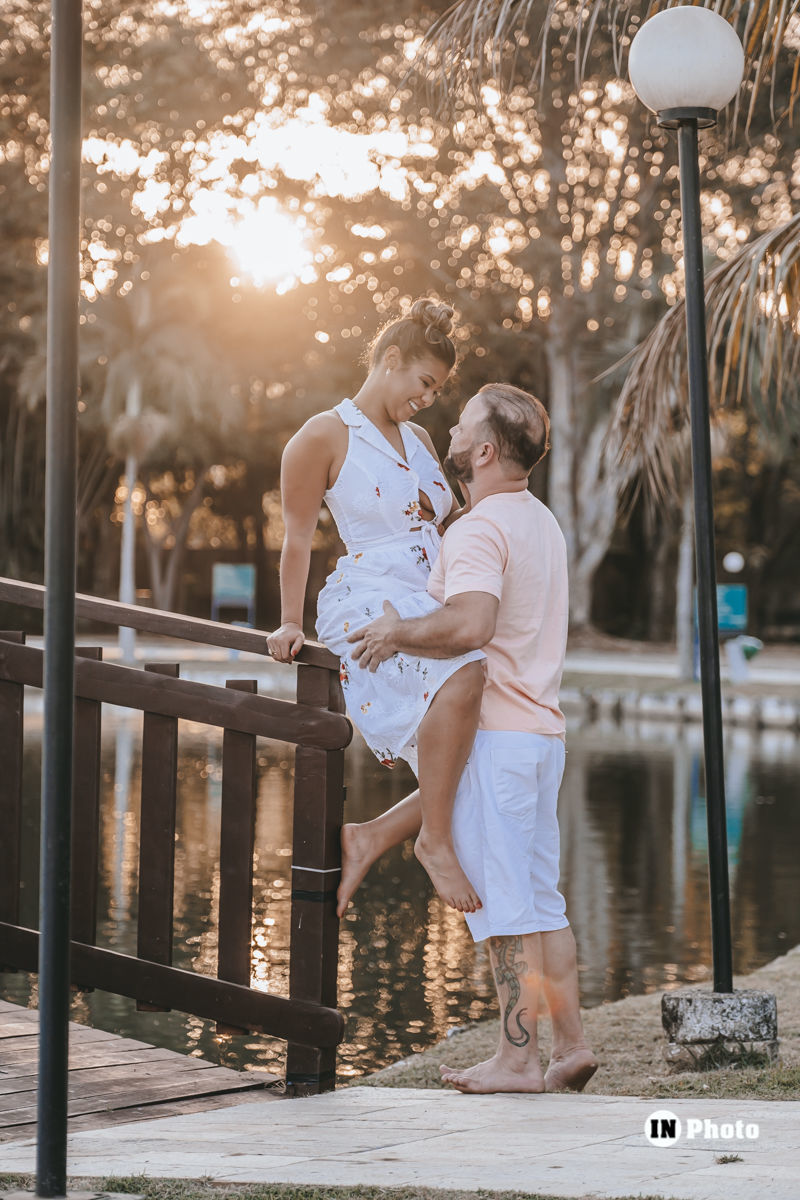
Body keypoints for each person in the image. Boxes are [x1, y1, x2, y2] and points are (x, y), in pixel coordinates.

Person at [345, 382, 598, 1095]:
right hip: (542, 738)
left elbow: (471, 625)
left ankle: (517, 1059)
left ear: (484, 450)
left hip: (500, 742)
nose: (447, 433)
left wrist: (394, 630)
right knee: (543, 902)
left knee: (506, 907)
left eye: (459, 427)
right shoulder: (539, 521)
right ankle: (570, 1046)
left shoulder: (480, 529)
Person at [266, 299, 486, 914]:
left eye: (437, 391)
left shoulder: (417, 439)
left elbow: (448, 520)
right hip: (369, 595)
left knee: (482, 744)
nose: (428, 401)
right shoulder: (321, 436)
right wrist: (288, 620)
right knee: (466, 676)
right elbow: (298, 537)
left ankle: (371, 836)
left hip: (431, 592)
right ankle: (434, 842)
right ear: (391, 360)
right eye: (424, 383)